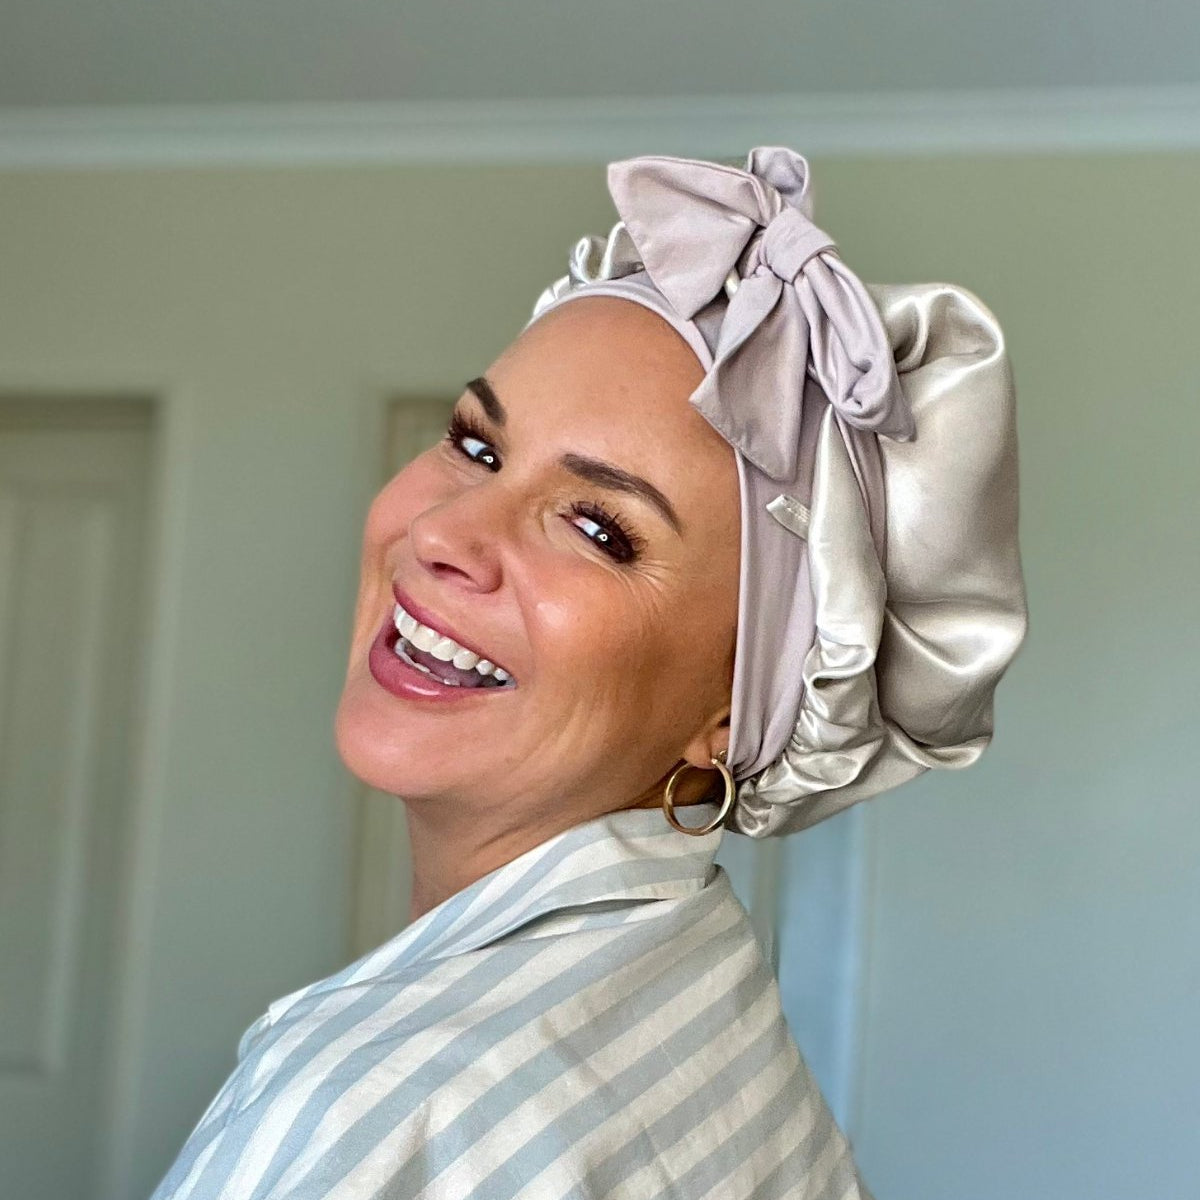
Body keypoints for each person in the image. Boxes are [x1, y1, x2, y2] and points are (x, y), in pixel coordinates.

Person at [151, 146, 1028, 1199]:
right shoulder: (713, 1033)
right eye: (477, 447)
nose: (443, 536)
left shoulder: (386, 1111)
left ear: (737, 710)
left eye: (599, 529)